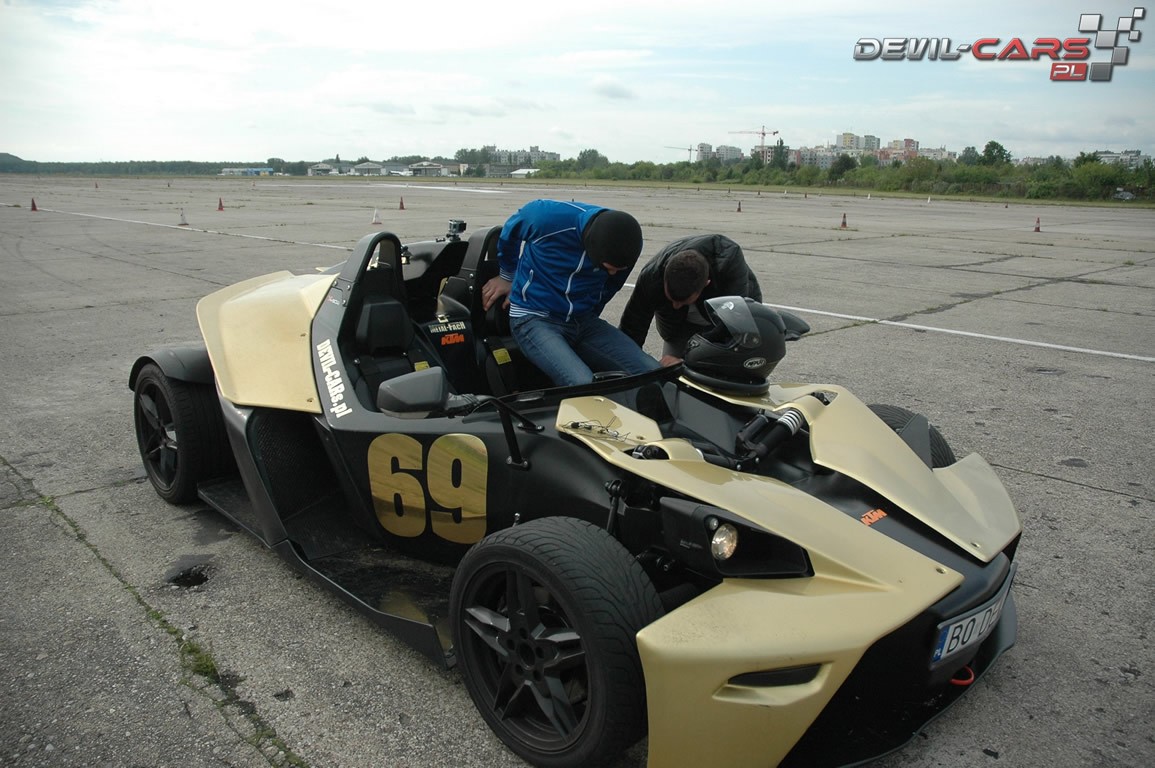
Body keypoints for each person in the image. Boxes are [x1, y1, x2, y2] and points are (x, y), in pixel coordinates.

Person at [480, 199, 661, 387]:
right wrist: (507, 276)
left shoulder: (626, 243)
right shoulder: (547, 218)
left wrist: (592, 311)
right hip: (535, 317)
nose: (613, 272)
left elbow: (610, 287)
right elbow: (510, 231)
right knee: (582, 383)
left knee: (652, 372)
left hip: (584, 320)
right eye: (607, 268)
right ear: (591, 248)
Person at [618, 233, 762, 367]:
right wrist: (629, 366)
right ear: (665, 277)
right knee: (671, 370)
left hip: (723, 322)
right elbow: (633, 327)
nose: (675, 306)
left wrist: (688, 361)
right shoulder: (652, 276)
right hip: (677, 326)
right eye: (671, 299)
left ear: (706, 284)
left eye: (682, 301)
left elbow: (732, 329)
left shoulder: (729, 266)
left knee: (718, 371)